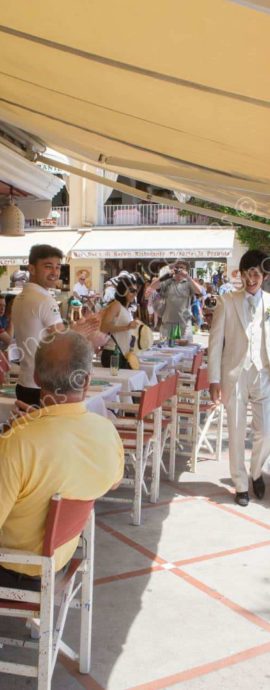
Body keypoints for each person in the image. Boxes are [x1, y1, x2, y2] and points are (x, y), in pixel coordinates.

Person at [0, 331, 124, 590]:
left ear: (36, 377)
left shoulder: (18, 443)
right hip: (62, 557)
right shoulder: (106, 432)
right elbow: (114, 482)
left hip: (15, 568)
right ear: (87, 380)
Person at [208, 249, 270, 507]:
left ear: (264, 275)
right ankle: (241, 484)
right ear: (241, 275)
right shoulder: (227, 301)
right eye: (247, 273)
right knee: (235, 431)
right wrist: (214, 379)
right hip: (234, 375)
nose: (251, 278)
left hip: (263, 373)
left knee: (266, 431)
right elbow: (214, 343)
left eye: (256, 273)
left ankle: (256, 471)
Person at [11, 244, 100, 407]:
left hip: (24, 383)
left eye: (58, 267)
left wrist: (76, 328)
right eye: (48, 267)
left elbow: (47, 335)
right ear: (31, 268)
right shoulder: (44, 300)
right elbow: (61, 342)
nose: (55, 273)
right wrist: (78, 331)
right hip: (43, 387)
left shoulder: (19, 298)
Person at [149, 260, 202, 341]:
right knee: (167, 350)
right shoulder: (167, 282)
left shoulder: (188, 283)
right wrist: (166, 275)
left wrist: (188, 277)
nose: (179, 270)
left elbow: (199, 291)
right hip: (168, 324)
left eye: (182, 268)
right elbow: (152, 286)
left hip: (184, 324)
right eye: (177, 267)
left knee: (185, 350)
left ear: (186, 271)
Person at [100, 275, 138, 368]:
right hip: (112, 352)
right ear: (123, 291)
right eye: (131, 291)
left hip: (122, 353)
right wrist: (127, 327)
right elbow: (103, 327)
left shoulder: (126, 309)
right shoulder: (116, 305)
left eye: (136, 291)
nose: (134, 294)